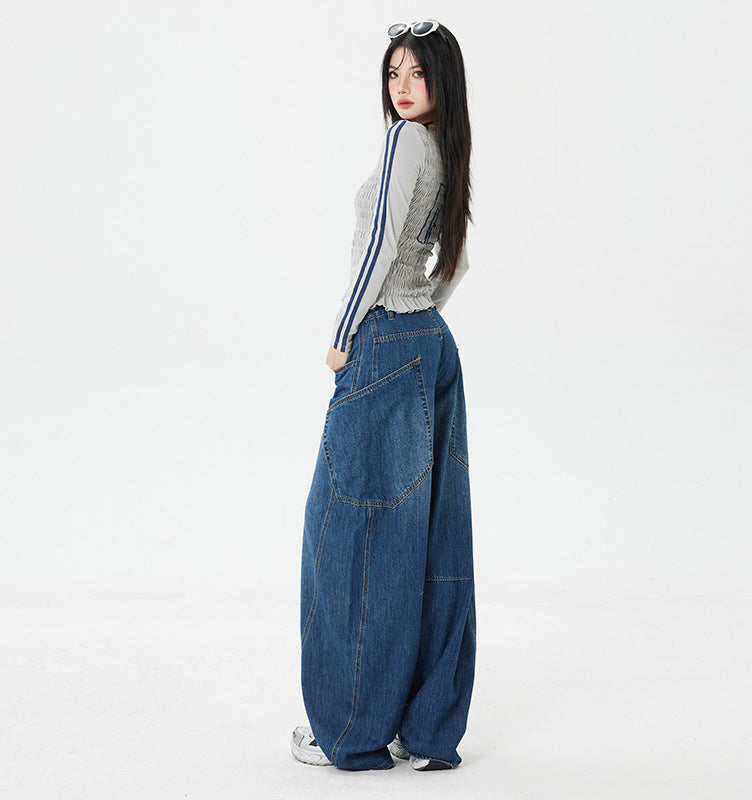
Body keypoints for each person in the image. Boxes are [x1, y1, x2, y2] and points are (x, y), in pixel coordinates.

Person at [291, 19, 476, 772]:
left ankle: (352, 731)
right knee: (430, 539)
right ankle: (426, 730)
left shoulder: (405, 142)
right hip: (430, 342)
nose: (402, 86)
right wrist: (423, 310)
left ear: (441, 81)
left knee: (349, 536)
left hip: (382, 343)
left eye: (417, 73)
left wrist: (344, 334)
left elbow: (378, 246)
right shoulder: (448, 149)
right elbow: (456, 260)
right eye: (394, 72)